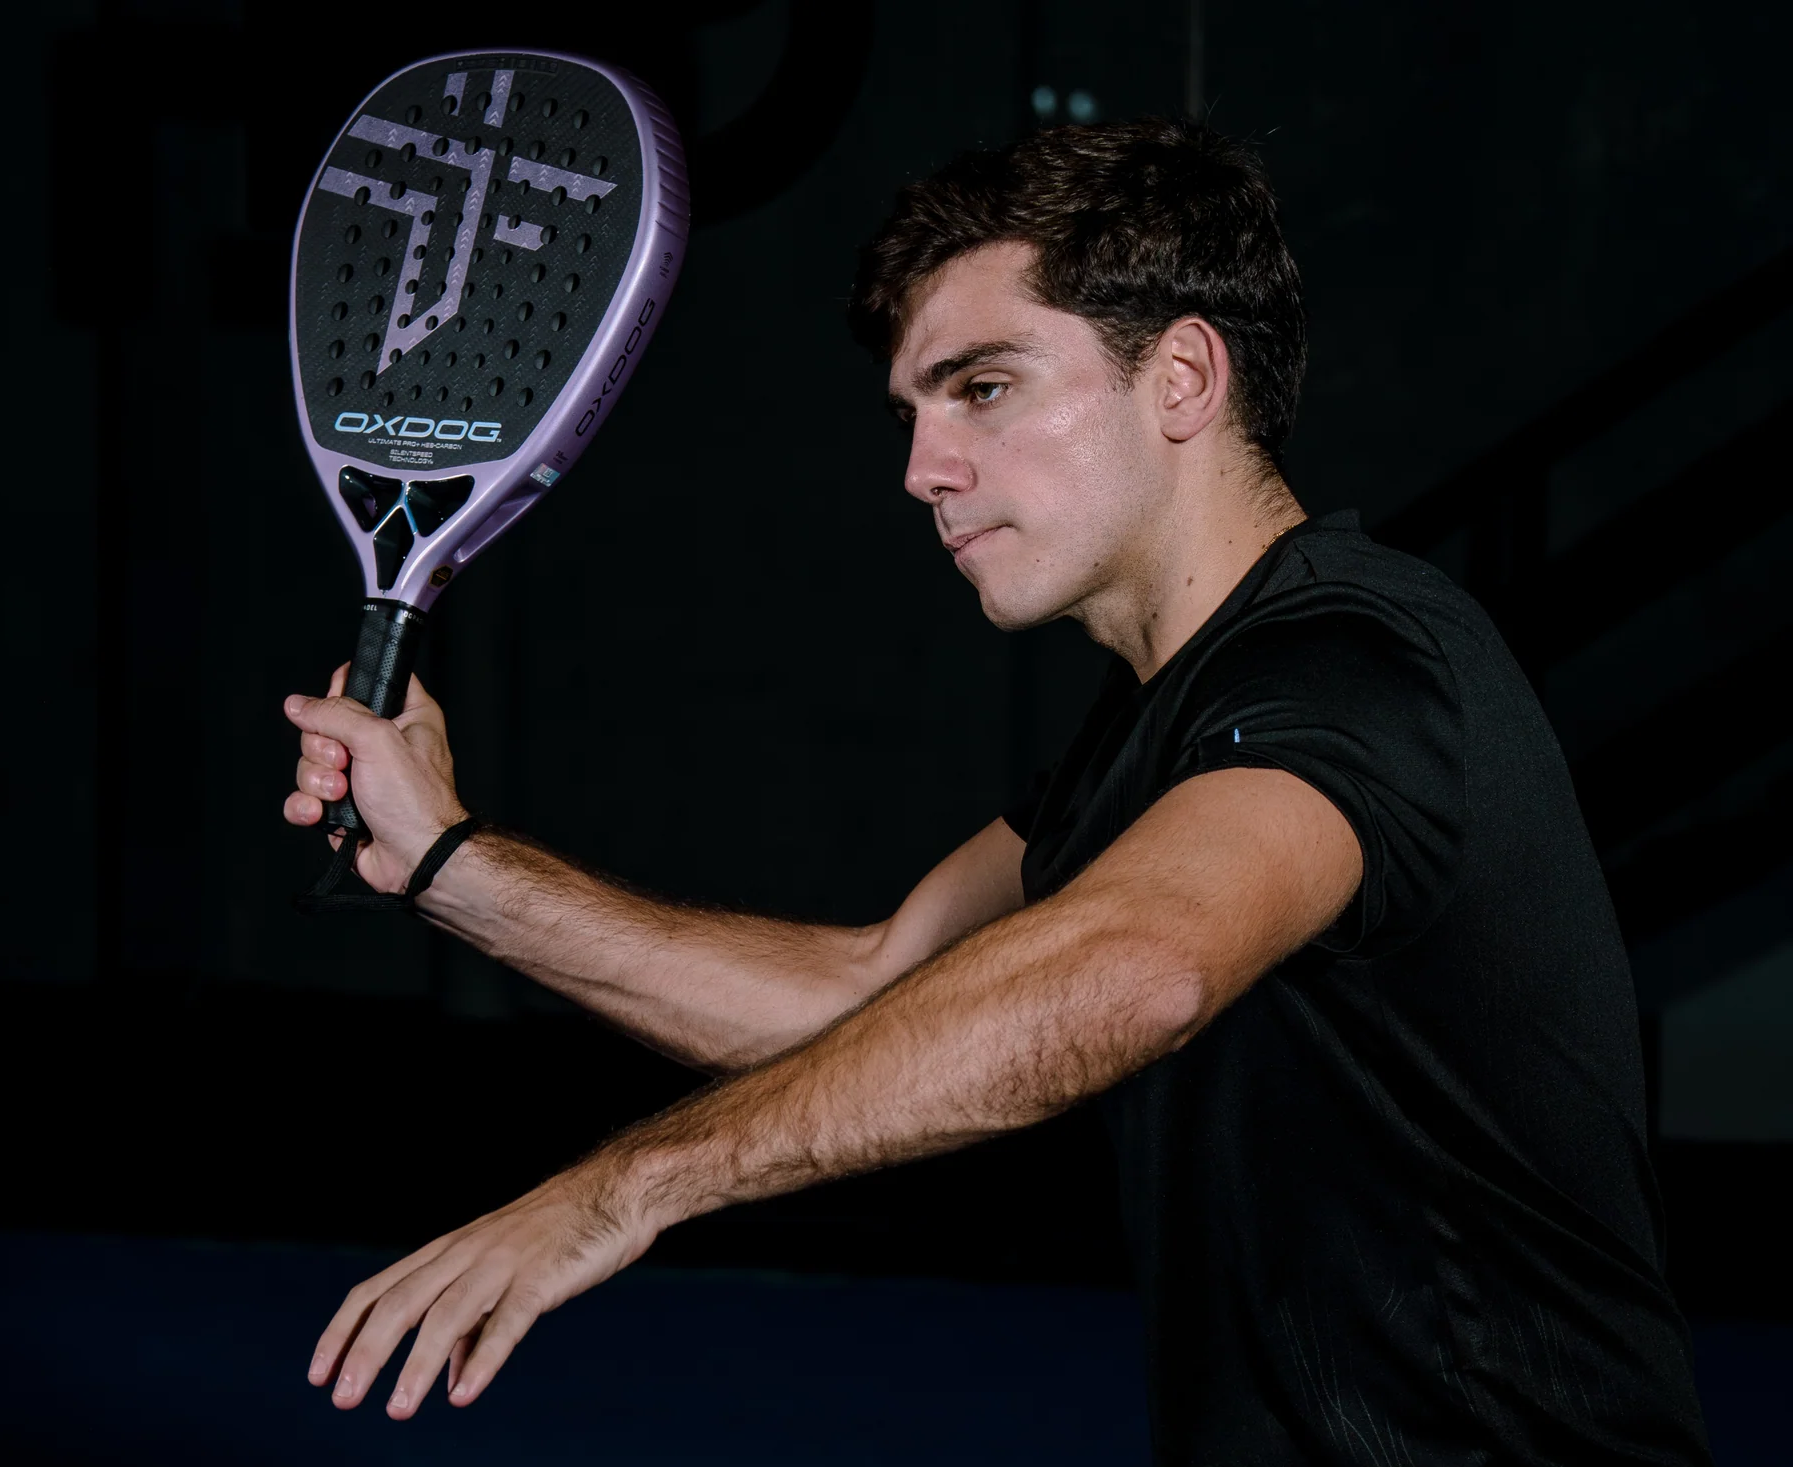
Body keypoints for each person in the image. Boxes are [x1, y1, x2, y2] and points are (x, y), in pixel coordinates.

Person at [280, 118, 1711, 1465]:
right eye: (912, 410)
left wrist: (623, 1189)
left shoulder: (1356, 662)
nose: (924, 468)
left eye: (983, 388)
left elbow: (1138, 966)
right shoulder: (1146, 736)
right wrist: (449, 863)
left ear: (1183, 378)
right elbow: (865, 993)